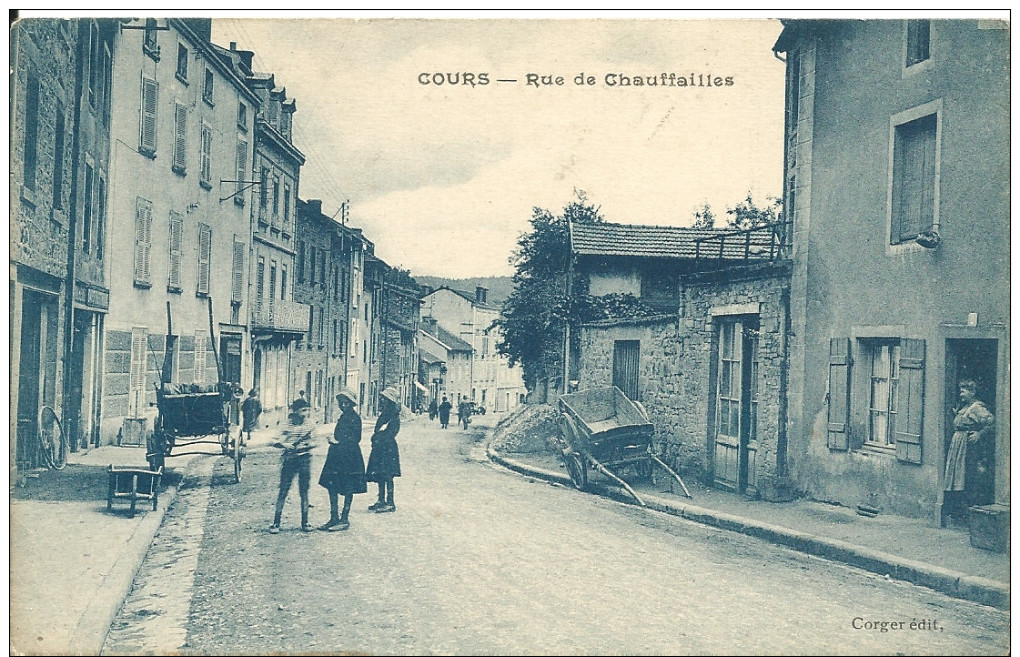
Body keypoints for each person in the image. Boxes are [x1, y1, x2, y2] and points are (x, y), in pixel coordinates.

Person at [944, 379, 995, 522]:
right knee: (957, 476)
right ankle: (958, 511)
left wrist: (980, 434)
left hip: (967, 446)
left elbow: (993, 423)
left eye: (963, 391)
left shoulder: (976, 407)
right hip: (958, 444)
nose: (961, 394)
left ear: (972, 392)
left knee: (966, 476)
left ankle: (968, 512)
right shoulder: (966, 407)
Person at [317, 388, 367, 531]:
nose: (343, 405)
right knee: (331, 485)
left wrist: (339, 442)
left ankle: (344, 519)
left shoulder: (355, 418)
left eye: (346, 403)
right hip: (337, 456)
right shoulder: (343, 417)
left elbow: (356, 438)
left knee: (348, 486)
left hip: (350, 457)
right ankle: (333, 518)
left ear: (351, 404)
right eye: (341, 403)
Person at [269, 402, 315, 534]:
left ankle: (305, 522)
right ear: (295, 411)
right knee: (283, 490)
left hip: (305, 459)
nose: (306, 413)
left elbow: (314, 441)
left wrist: (309, 445)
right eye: (303, 410)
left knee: (304, 491)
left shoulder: (310, 424)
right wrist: (285, 444)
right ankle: (276, 523)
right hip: (290, 460)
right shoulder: (286, 424)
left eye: (307, 410)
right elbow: (273, 440)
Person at [366, 387, 401, 513]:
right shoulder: (385, 413)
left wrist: (378, 438)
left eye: (385, 399)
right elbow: (378, 429)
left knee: (388, 475)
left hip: (388, 448)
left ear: (390, 401)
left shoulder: (393, 416)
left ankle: (390, 502)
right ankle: (381, 500)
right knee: (380, 474)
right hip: (379, 447)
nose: (382, 400)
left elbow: (391, 433)